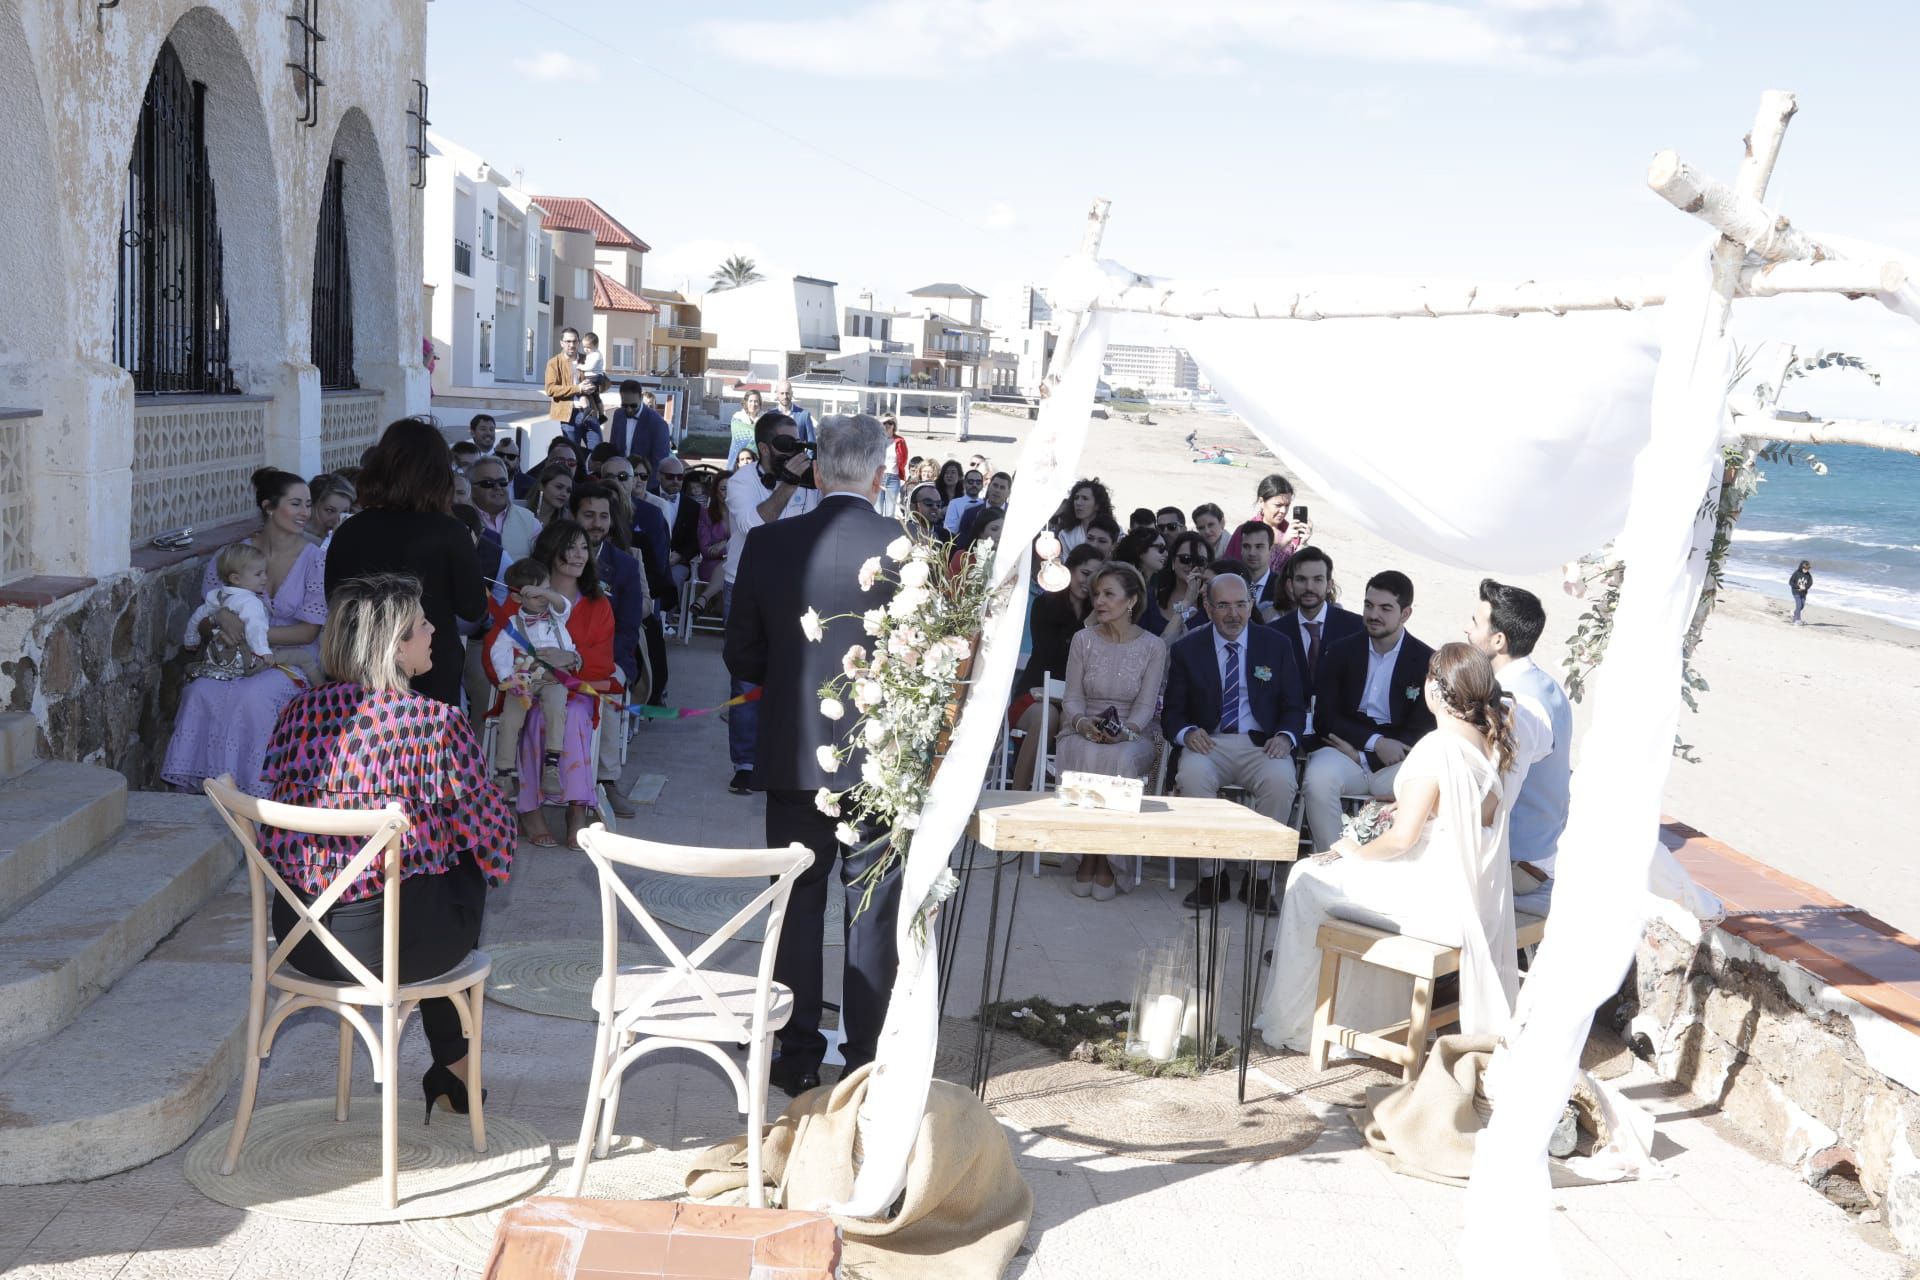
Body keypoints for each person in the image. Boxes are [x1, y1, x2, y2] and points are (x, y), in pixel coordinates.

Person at [258, 573, 513, 1115]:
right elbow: (492, 833)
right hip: (385, 950)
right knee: (466, 865)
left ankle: (452, 1070)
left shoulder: (296, 712)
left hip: (299, 937)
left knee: (430, 872)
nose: (434, 631)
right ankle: (456, 1068)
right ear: (394, 645)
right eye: (422, 625)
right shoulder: (435, 723)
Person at [722, 414, 902, 1097]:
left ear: (819, 472)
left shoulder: (768, 544)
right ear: (880, 477)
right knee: (872, 911)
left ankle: (796, 1055)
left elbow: (741, 654)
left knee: (797, 907)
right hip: (881, 760)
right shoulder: (906, 547)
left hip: (796, 751)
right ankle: (866, 1061)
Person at [1255, 643, 1519, 1055]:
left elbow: (1402, 838)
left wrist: (1349, 850)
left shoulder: (1438, 746)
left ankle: (1300, 1021)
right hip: (1464, 898)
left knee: (1306, 878)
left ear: (1435, 689)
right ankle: (1359, 1015)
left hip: (1427, 901)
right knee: (1325, 879)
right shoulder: (1491, 747)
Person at [162, 469, 327, 796]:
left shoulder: (315, 559)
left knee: (253, 696)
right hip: (232, 656)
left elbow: (308, 631)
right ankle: (203, 793)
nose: (305, 513)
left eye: (308, 505)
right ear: (268, 506)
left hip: (290, 658)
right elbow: (207, 617)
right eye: (296, 504)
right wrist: (223, 619)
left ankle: (253, 796)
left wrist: (254, 635)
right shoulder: (232, 555)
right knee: (200, 693)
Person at [1162, 572, 1307, 911]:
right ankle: (1212, 876)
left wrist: (1286, 737)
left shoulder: (1276, 645)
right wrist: (1187, 733)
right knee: (1193, 778)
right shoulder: (1188, 650)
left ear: (1251, 604)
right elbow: (1172, 713)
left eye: (1241, 604)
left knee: (1282, 781)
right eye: (1223, 605)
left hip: (1261, 744)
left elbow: (1294, 706)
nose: (1233, 614)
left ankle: (1259, 878)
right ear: (1208, 607)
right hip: (1209, 742)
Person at [323, 418, 488, 708]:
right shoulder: (449, 531)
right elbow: (472, 607)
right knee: (423, 752)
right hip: (429, 668)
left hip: (359, 666)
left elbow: (334, 600)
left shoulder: (350, 529)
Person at [490, 518, 617, 849]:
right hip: (525, 689)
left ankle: (577, 810)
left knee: (570, 713)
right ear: (551, 551)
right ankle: (529, 809)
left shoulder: (597, 602)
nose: (578, 555)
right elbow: (494, 650)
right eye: (569, 547)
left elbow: (605, 661)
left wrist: (572, 661)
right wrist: (518, 675)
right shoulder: (523, 597)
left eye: (583, 548)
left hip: (577, 690)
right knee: (533, 714)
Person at [1301, 570, 1437, 852]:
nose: (1373, 615)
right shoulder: (1340, 650)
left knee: (1426, 789)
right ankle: (1332, 862)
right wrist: (1373, 745)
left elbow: (1422, 730)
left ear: (1406, 613)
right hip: (1342, 749)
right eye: (1369, 605)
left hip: (1396, 761)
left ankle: (1383, 868)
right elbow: (1325, 716)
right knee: (1317, 781)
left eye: (1385, 608)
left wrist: (1367, 757)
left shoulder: (1426, 660)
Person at [722, 412, 822, 794]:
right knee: (746, 674)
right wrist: (789, 483)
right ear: (763, 447)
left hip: (794, 588)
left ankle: (783, 756)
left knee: (794, 674)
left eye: (797, 443)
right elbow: (755, 527)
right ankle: (745, 763)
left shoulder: (810, 478)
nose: (792, 451)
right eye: (784, 444)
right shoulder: (741, 481)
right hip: (743, 585)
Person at [1056, 564, 1168, 900]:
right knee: (1085, 751)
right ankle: (1086, 853)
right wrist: (1080, 723)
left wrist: (1125, 732)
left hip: (1134, 734)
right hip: (1082, 728)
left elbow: (1146, 707)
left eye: (1109, 594)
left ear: (1131, 600)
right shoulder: (1083, 640)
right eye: (1096, 595)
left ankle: (1107, 858)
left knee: (1119, 757)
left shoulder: (1153, 647)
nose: (1100, 602)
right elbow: (1072, 697)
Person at [1467, 579, 1569, 917]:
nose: (1466, 631)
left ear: (1498, 640)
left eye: (1475, 623)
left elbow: (1491, 791)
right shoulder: (1547, 685)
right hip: (1545, 847)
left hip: (1520, 863)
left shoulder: (1511, 701)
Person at [572, 481, 648, 808]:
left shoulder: (625, 565)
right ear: (572, 515)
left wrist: (606, 665)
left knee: (607, 688)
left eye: (603, 516)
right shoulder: (549, 555)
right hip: (558, 655)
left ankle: (606, 781)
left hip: (608, 656)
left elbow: (628, 628)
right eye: (588, 515)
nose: (597, 524)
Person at [1009, 544, 1102, 788]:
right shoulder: (1044, 605)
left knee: (1079, 720)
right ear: (1069, 570)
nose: (1088, 583)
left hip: (1075, 703)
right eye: (1084, 573)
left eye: (1095, 578)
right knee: (1048, 715)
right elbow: (1051, 654)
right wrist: (1087, 626)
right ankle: (1018, 792)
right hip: (1035, 694)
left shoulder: (1101, 615)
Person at [488, 557, 576, 797]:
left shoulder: (556, 616)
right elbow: (499, 651)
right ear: (517, 598)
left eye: (547, 590)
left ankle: (551, 767)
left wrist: (544, 592)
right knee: (509, 720)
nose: (544, 598)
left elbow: (563, 604)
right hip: (525, 678)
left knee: (557, 710)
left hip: (556, 677)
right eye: (537, 595)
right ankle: (503, 773)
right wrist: (508, 679)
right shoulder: (514, 624)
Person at [1270, 546, 1362, 714]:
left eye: (1318, 579)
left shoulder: (1356, 628)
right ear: (1290, 585)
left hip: (1341, 731)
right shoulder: (1274, 633)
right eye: (1301, 579)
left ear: (1329, 585)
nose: (1309, 587)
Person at [184, 543, 277, 672]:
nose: (265, 578)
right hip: (247, 658)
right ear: (236, 578)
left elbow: (198, 615)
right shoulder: (250, 602)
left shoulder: (216, 595)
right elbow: (256, 627)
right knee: (303, 658)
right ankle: (313, 689)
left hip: (221, 657)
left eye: (265, 573)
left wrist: (190, 638)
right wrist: (262, 651)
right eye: (258, 574)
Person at [1223, 472, 1313, 563]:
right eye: (1278, 505)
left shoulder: (1290, 531)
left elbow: (1297, 568)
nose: (1283, 511)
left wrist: (1303, 543)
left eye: (1287, 505)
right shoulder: (1245, 532)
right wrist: (1283, 543)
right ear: (1262, 502)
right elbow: (1248, 570)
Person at [468, 455, 542, 562]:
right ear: (472, 488)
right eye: (488, 483)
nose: (497, 487)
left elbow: (542, 562)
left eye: (502, 482)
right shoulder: (461, 519)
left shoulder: (529, 520)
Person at [686, 470, 731, 614]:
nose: (727, 493)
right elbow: (706, 550)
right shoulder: (706, 514)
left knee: (733, 564)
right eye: (723, 489)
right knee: (729, 566)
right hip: (711, 566)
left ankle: (704, 599)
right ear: (716, 492)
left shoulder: (743, 514)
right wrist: (731, 547)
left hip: (739, 566)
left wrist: (725, 543)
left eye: (732, 488)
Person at [1113, 526, 1170, 636]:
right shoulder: (1128, 587)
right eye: (1160, 548)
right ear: (1140, 549)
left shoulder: (1148, 587)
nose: (1166, 554)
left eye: (1166, 549)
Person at [1156, 530, 1213, 639]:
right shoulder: (1152, 598)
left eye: (1200, 560)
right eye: (1185, 559)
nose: (1192, 565)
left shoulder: (1212, 601)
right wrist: (1187, 601)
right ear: (1173, 562)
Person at [609, 379, 672, 476]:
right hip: (621, 479)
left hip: (644, 482)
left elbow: (659, 463)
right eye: (625, 405)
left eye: (633, 405)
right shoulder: (618, 414)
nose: (629, 409)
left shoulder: (657, 424)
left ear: (641, 398)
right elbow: (613, 448)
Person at [1234, 520, 1286, 620]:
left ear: (1271, 550)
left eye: (1259, 547)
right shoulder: (1231, 582)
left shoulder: (1283, 587)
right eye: (1246, 546)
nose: (1252, 553)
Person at [1049, 479, 1113, 553]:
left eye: (1085, 498)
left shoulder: (1114, 531)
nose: (1078, 503)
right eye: (1076, 498)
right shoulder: (1066, 535)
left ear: (1097, 505)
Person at [544, 328, 587, 424]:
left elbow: (604, 384)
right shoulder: (554, 363)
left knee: (597, 439)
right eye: (568, 341)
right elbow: (550, 389)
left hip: (588, 412)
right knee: (569, 440)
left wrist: (595, 386)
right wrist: (578, 388)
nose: (572, 345)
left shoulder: (588, 360)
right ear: (561, 343)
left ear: (579, 342)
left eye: (575, 341)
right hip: (566, 415)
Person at [949, 504, 1004, 576]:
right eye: (994, 529)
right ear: (980, 532)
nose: (1001, 534)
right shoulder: (962, 557)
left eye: (1004, 530)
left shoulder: (1007, 560)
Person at [309, 474, 356, 552]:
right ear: (311, 506)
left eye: (344, 512)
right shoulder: (301, 542)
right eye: (329, 510)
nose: (336, 520)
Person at [773, 379, 815, 443]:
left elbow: (811, 443)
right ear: (777, 394)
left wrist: (806, 453)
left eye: (787, 393)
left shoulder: (804, 415)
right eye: (782, 393)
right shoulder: (770, 415)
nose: (785, 396)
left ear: (792, 394)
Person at [881, 415, 907, 515]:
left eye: (890, 423)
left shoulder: (900, 441)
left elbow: (904, 459)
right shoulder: (876, 440)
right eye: (884, 423)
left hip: (893, 478)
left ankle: (887, 531)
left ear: (894, 426)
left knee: (890, 512)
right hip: (879, 477)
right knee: (877, 510)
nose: (887, 425)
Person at [728, 390, 764, 457]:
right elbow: (740, 439)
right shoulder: (737, 418)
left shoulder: (764, 419)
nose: (753, 404)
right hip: (739, 459)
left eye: (756, 401)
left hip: (758, 460)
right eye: (750, 401)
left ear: (759, 403)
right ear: (746, 402)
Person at [1790, 560, 1814, 625]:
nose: (1806, 570)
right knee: (1799, 605)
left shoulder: (1808, 575)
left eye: (1808, 569)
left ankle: (1794, 613)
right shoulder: (1796, 573)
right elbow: (1791, 582)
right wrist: (1798, 586)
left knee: (1802, 606)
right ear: (1801, 567)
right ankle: (1797, 620)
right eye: (1805, 569)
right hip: (1796, 592)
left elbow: (1810, 583)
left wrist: (1805, 587)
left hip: (1804, 593)